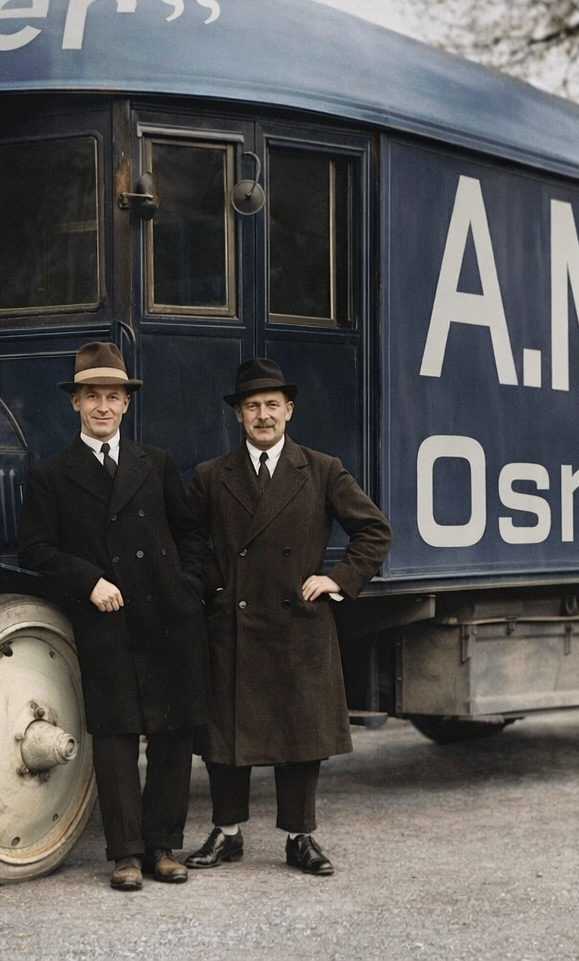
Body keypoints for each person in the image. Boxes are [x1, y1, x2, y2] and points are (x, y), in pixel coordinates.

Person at [17, 342, 212, 892]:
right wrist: (89, 581)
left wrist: (188, 586)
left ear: (127, 404)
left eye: (113, 397)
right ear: (75, 403)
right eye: (92, 396)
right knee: (117, 736)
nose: (103, 406)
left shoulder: (157, 463)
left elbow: (191, 533)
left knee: (173, 735)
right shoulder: (52, 475)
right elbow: (34, 548)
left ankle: (164, 847)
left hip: (169, 617)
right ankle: (126, 853)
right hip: (106, 620)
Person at [185, 357, 392, 876]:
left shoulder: (322, 469)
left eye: (271, 406)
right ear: (238, 415)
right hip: (233, 621)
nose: (262, 416)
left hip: (298, 622)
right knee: (226, 734)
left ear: (289, 411)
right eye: (252, 406)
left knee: (300, 735)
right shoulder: (211, 476)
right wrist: (215, 587)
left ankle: (301, 838)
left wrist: (337, 581)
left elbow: (374, 532)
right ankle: (227, 832)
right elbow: (188, 541)